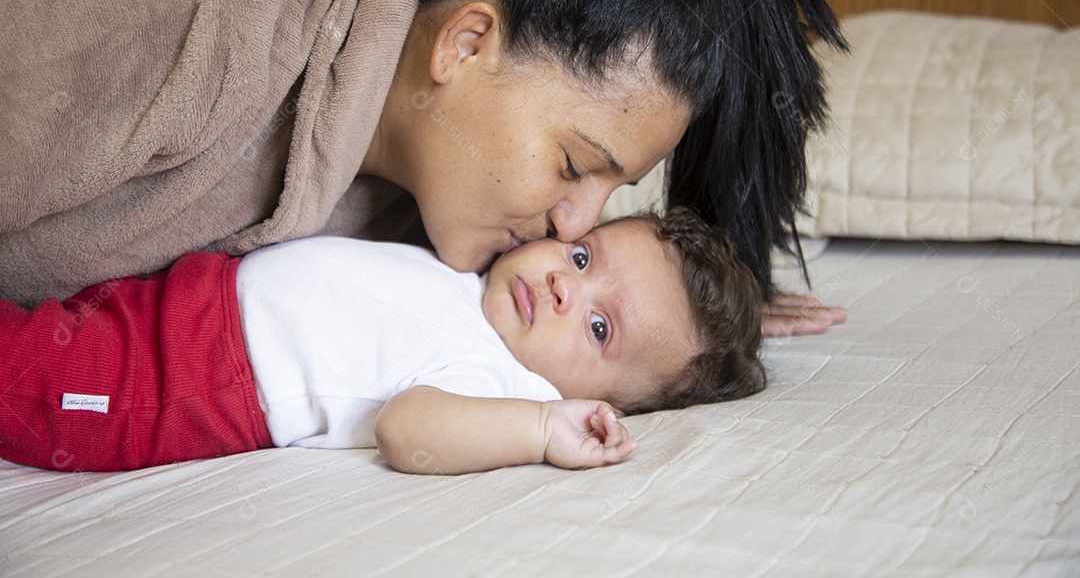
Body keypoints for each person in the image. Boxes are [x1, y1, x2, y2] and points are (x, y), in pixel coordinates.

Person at [0, 0, 844, 333]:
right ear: (466, 42)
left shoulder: (435, 186)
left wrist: (676, 331)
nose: (574, 223)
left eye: (610, 193)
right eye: (573, 163)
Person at [0, 207, 763, 475]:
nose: (566, 285)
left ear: (594, 401)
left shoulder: (510, 388)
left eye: (599, 328)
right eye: (584, 255)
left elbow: (406, 427)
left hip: (187, 382)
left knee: (21, 376)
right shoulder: (476, 274)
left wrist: (539, 432)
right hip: (191, 295)